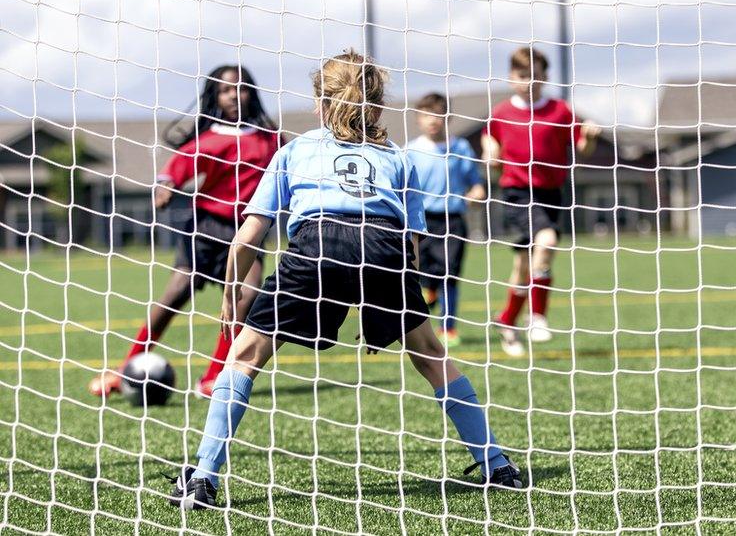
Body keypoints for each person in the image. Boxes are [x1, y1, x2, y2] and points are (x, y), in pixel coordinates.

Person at [168, 50, 522, 510]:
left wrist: (232, 293)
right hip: (384, 251)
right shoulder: (397, 157)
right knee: (432, 356)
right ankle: (497, 464)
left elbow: (247, 237)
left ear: (320, 103)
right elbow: (410, 244)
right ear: (375, 106)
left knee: (244, 357)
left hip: (317, 245)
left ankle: (202, 477)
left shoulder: (294, 149)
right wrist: (386, 314)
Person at [87, 65, 279, 398]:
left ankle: (214, 379)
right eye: (225, 89)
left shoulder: (271, 140)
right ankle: (124, 371)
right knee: (175, 294)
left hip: (247, 232)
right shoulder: (206, 140)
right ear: (214, 97)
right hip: (205, 228)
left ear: (252, 94)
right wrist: (165, 186)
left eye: (242, 88)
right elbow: (176, 168)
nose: (234, 94)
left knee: (245, 295)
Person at [482, 46, 600, 356]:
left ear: (545, 77)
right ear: (511, 78)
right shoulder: (502, 112)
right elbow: (489, 137)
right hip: (518, 193)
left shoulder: (561, 110)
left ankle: (507, 320)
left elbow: (582, 149)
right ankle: (537, 318)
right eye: (523, 76)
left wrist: (590, 138)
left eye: (536, 75)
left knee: (524, 267)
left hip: (550, 195)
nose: (530, 82)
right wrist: (490, 152)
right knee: (545, 242)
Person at [406, 93, 487, 347]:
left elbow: (475, 183)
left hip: (452, 219)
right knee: (419, 272)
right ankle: (428, 294)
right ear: (418, 119)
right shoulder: (410, 151)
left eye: (438, 114)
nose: (433, 120)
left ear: (447, 117)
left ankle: (448, 328)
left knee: (449, 274)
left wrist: (477, 193)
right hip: (420, 221)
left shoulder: (460, 147)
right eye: (427, 114)